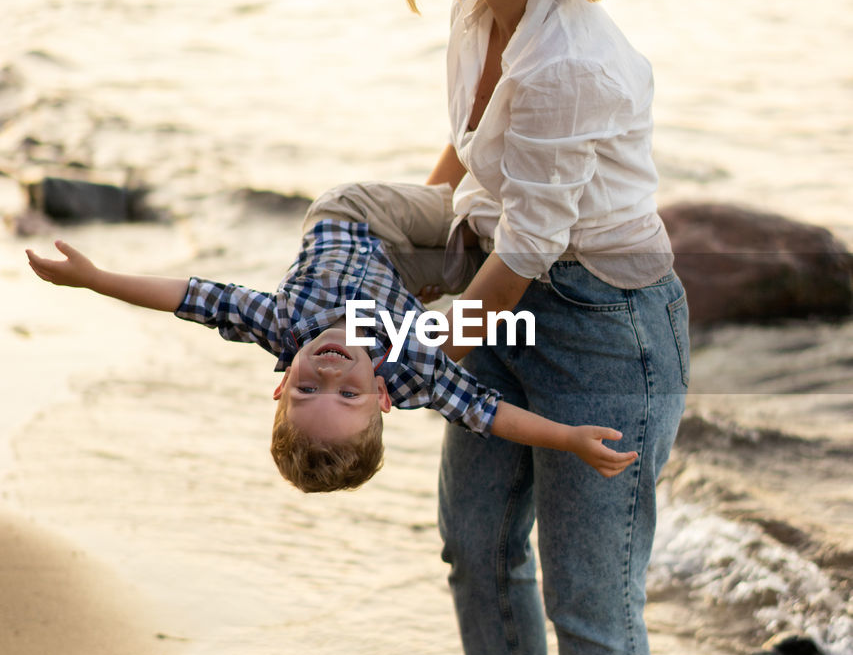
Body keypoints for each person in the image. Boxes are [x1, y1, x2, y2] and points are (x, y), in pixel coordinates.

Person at [394, 0, 690, 655]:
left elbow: (536, 234)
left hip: (602, 328)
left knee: (588, 584)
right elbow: (470, 153)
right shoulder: (479, 19)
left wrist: (420, 350)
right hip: (503, 288)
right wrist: (397, 236)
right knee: (472, 538)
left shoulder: (574, 55)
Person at [24, 179, 638, 494]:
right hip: (401, 269)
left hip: (356, 214)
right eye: (347, 396)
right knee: (482, 267)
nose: (332, 374)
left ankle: (492, 166)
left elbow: (186, 296)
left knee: (478, 215)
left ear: (282, 384)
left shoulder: (281, 325)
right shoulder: (414, 366)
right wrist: (568, 438)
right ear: (385, 400)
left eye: (307, 389)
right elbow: (487, 413)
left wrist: (96, 280)